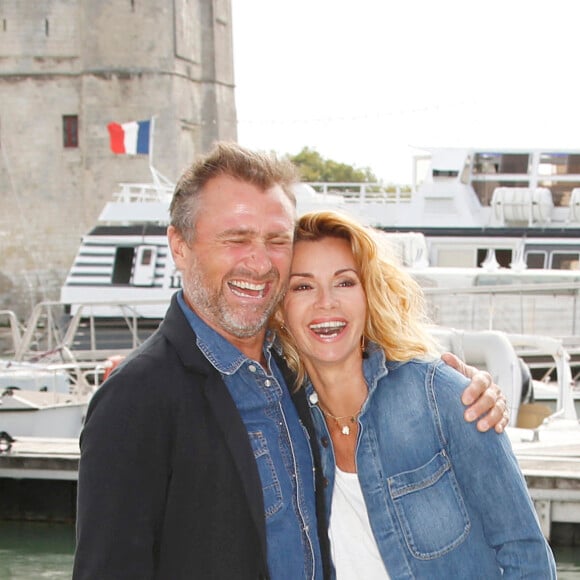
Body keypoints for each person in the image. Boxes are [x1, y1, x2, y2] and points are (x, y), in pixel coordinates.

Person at [73, 142, 509, 579]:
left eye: (277, 240)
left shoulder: (296, 370)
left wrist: (464, 393)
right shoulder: (137, 399)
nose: (259, 263)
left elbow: (377, 377)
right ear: (180, 246)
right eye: (236, 239)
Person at [274, 210, 556, 578]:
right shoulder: (278, 421)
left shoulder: (443, 396)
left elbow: (527, 555)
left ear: (369, 295)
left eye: (345, 282)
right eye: (303, 286)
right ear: (280, 309)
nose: (326, 302)